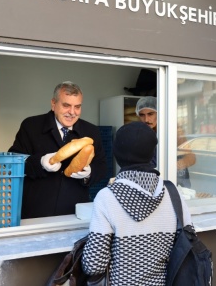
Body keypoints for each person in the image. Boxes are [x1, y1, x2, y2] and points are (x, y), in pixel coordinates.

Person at [82, 121, 193, 285]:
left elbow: (93, 266)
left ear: (116, 154)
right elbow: (187, 246)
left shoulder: (107, 197)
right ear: (151, 153)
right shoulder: (172, 193)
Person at [8, 81, 107, 219]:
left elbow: (102, 167)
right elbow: (13, 164)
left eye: (77, 107)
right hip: (36, 211)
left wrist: (89, 173)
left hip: (75, 211)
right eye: (66, 105)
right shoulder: (31, 126)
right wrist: (40, 162)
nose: (72, 112)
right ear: (53, 104)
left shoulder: (91, 131)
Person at [135, 96, 195, 187]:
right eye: (142, 115)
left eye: (150, 114)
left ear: (159, 113)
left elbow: (191, 158)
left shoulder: (173, 131)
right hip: (152, 183)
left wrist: (173, 166)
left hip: (177, 182)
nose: (146, 119)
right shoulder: (140, 133)